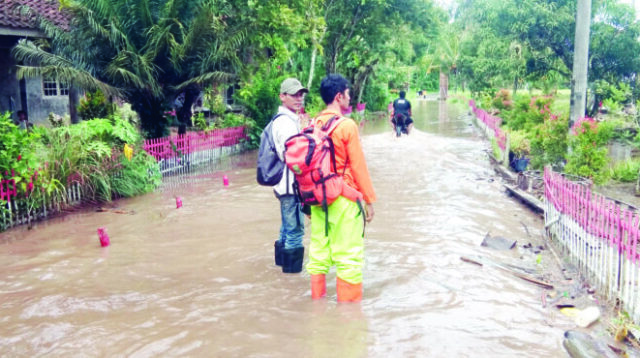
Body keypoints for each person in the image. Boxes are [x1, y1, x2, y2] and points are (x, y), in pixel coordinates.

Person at [308, 74, 376, 302]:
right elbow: (358, 166)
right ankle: (348, 317)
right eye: (348, 94)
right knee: (348, 258)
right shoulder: (347, 126)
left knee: (318, 254)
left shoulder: (313, 123)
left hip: (318, 199)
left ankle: (317, 306)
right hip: (345, 199)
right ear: (339, 96)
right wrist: (369, 200)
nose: (350, 98)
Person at [272, 78, 309, 273]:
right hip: (290, 186)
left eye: (301, 94)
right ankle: (292, 276)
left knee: (286, 228)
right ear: (282, 96)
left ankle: (282, 271)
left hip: (284, 185)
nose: (299, 98)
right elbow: (295, 157)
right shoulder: (286, 123)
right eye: (294, 94)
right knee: (295, 231)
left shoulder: (285, 120)